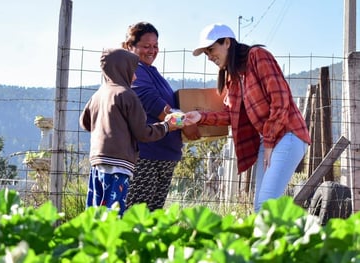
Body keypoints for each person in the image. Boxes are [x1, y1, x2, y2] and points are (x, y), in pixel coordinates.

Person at [184, 23, 311, 212]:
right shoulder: (234, 77)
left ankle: (282, 240)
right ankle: (277, 240)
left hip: (288, 135)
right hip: (269, 139)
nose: (209, 57)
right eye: (206, 53)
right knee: (260, 206)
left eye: (211, 49)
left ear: (227, 42)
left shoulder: (258, 56)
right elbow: (230, 115)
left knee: (265, 205)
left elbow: (280, 100)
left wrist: (268, 143)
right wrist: (200, 117)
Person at [79, 48, 182, 216]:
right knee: (115, 210)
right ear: (122, 70)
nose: (135, 77)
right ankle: (117, 241)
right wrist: (166, 126)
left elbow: (84, 123)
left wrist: (105, 128)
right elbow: (142, 132)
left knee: (96, 209)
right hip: (119, 164)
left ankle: (93, 240)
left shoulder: (98, 94)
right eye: (132, 71)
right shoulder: (127, 95)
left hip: (97, 162)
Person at [122, 21, 200, 211]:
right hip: (147, 156)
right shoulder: (135, 71)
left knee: (152, 218)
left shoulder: (151, 72)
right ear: (130, 46)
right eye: (146, 46)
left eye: (155, 46)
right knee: (138, 216)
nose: (152, 50)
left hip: (164, 156)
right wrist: (187, 124)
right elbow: (154, 104)